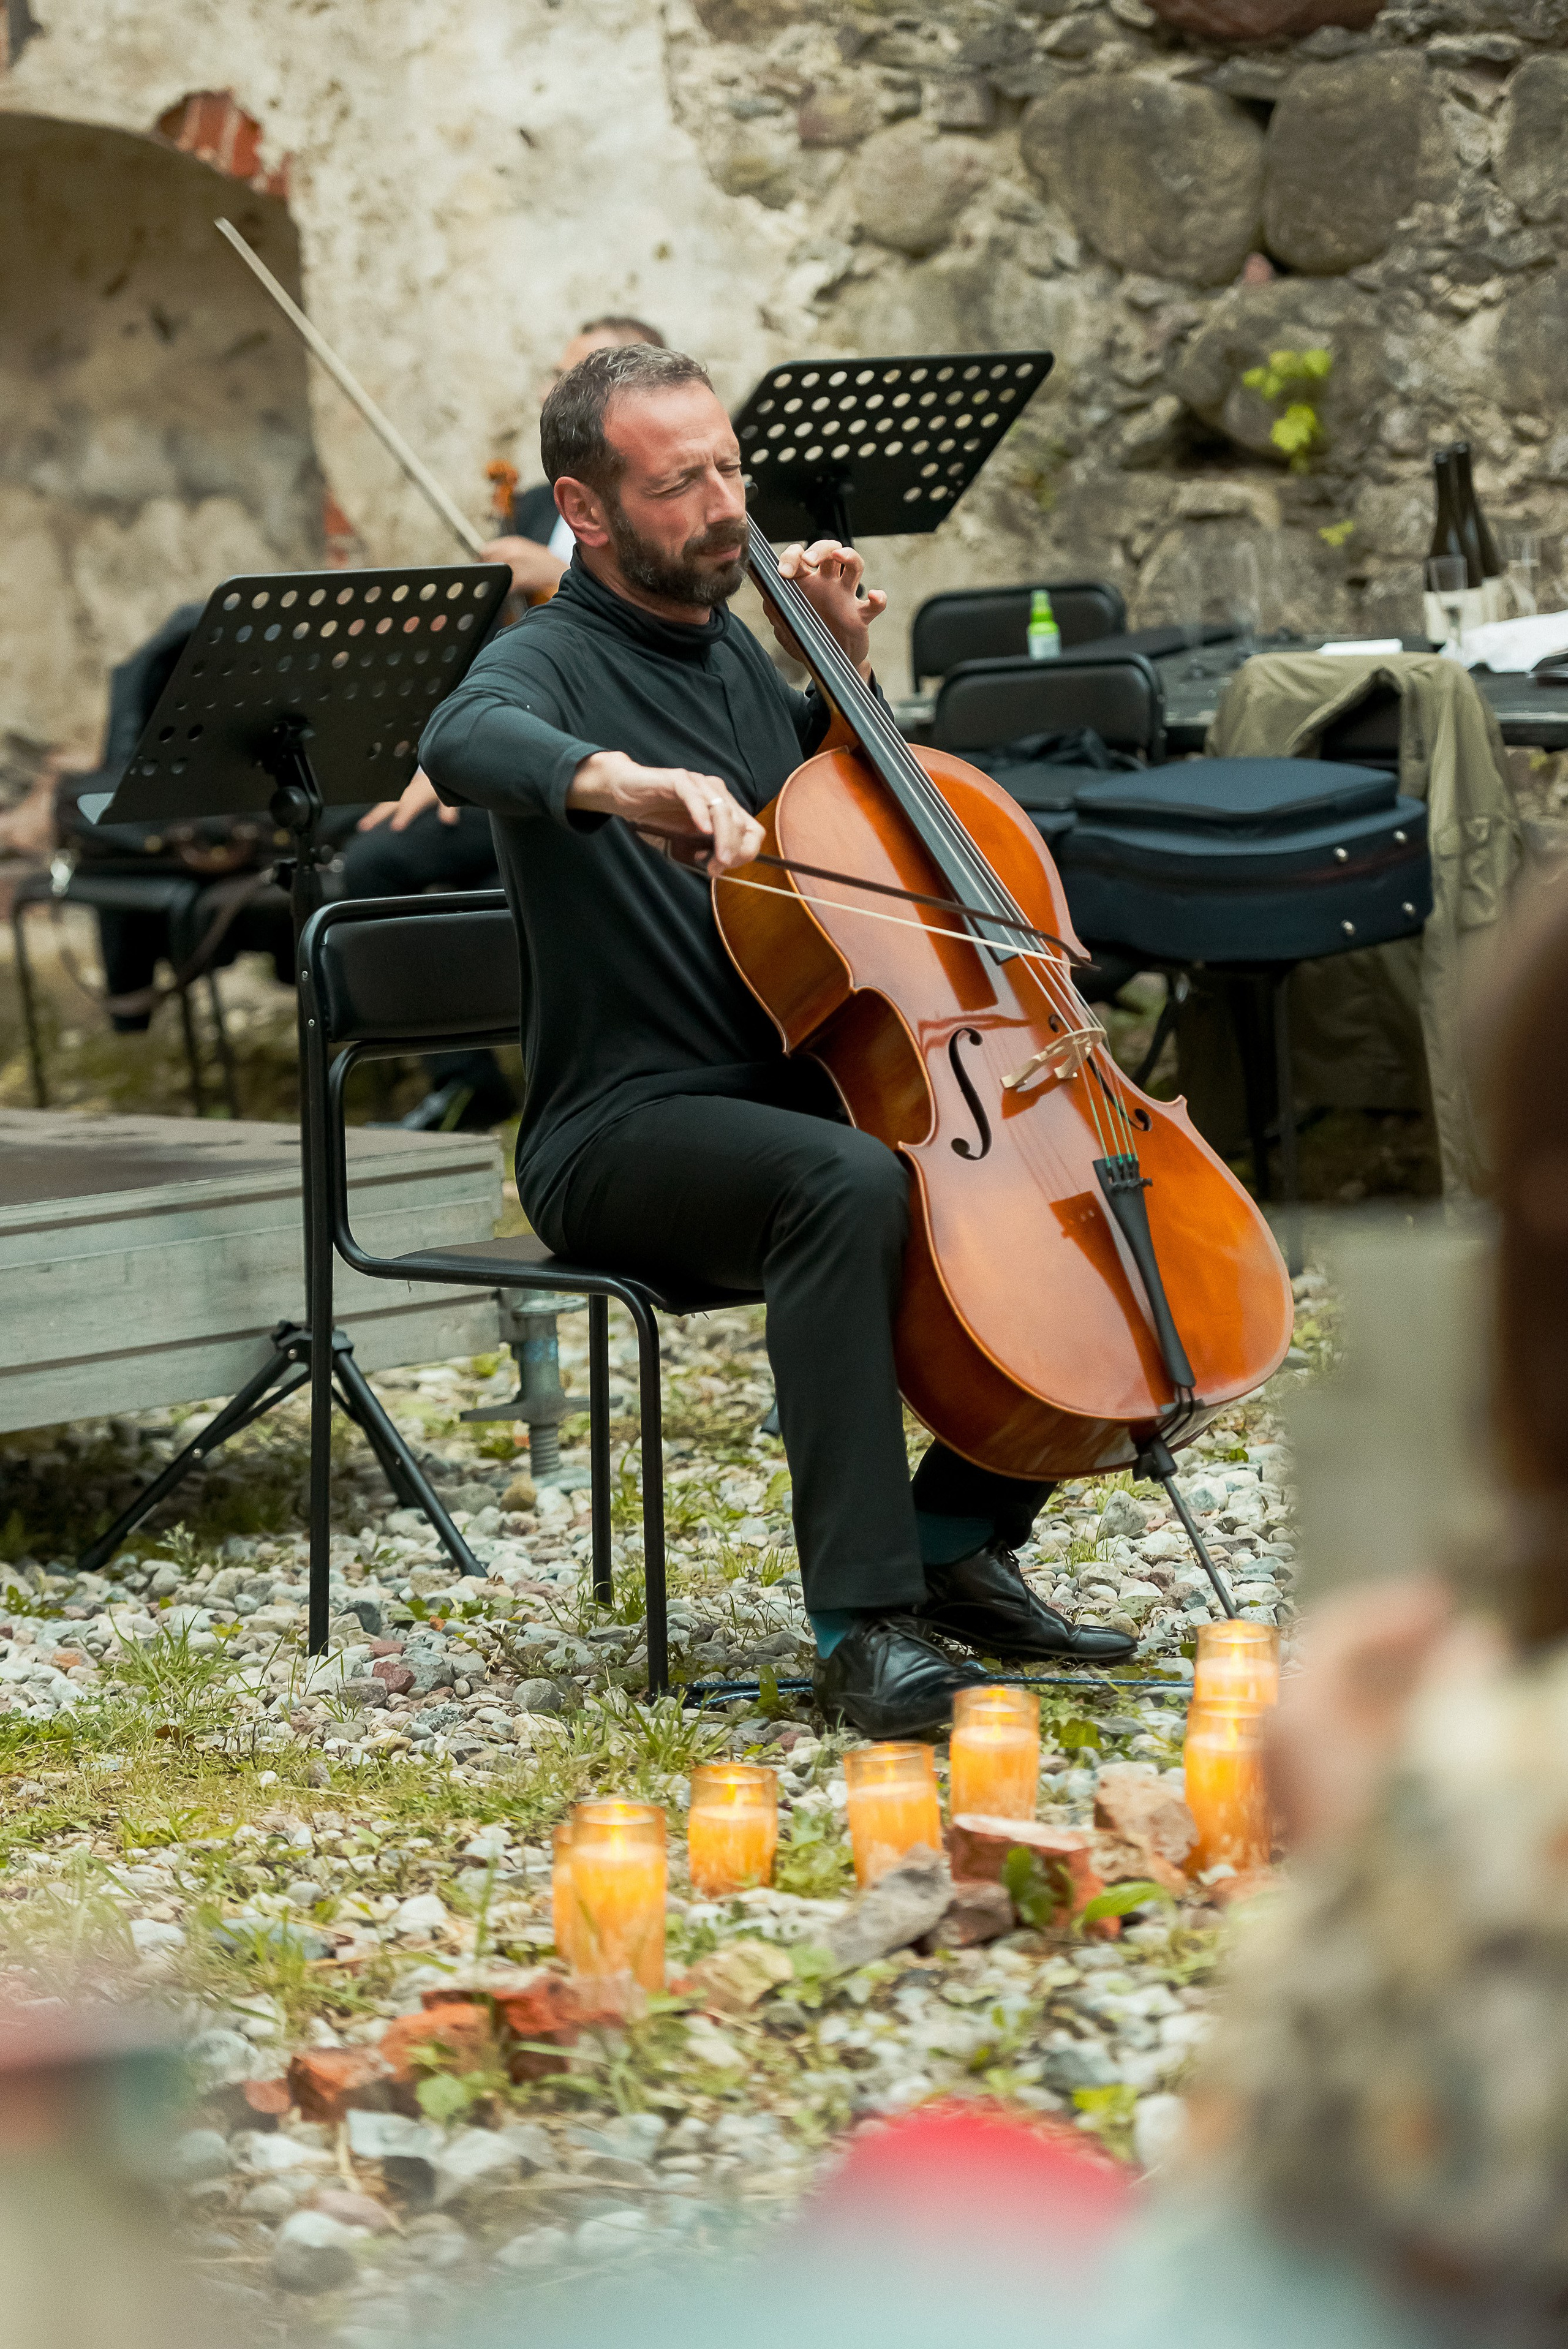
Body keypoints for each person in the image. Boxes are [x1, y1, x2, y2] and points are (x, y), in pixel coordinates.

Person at [418, 341, 1134, 1737]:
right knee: (850, 1181)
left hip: (789, 1088)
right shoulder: (545, 660)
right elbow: (464, 740)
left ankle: (952, 1544)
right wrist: (618, 786)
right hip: (620, 1128)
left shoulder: (743, 657)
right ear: (587, 507)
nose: (724, 505)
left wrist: (844, 678)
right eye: (679, 483)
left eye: (729, 466)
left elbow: (830, 819)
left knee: (1068, 1172)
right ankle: (860, 1628)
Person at [346, 314, 665, 1133]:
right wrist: (450, 763)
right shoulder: (528, 504)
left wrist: (556, 574)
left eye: (590, 377)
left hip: (619, 766)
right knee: (371, 853)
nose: (567, 395)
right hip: (510, 758)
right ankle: (463, 1078)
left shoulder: (657, 503)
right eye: (561, 380)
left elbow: (658, 627)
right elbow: (489, 661)